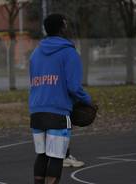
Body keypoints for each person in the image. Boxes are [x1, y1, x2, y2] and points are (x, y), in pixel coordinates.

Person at [29, 14, 91, 184]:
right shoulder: (69, 52)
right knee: (57, 157)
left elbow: (34, 82)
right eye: (66, 24)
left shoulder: (35, 53)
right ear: (62, 28)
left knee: (41, 155)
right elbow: (74, 87)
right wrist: (88, 100)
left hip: (36, 110)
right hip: (58, 111)